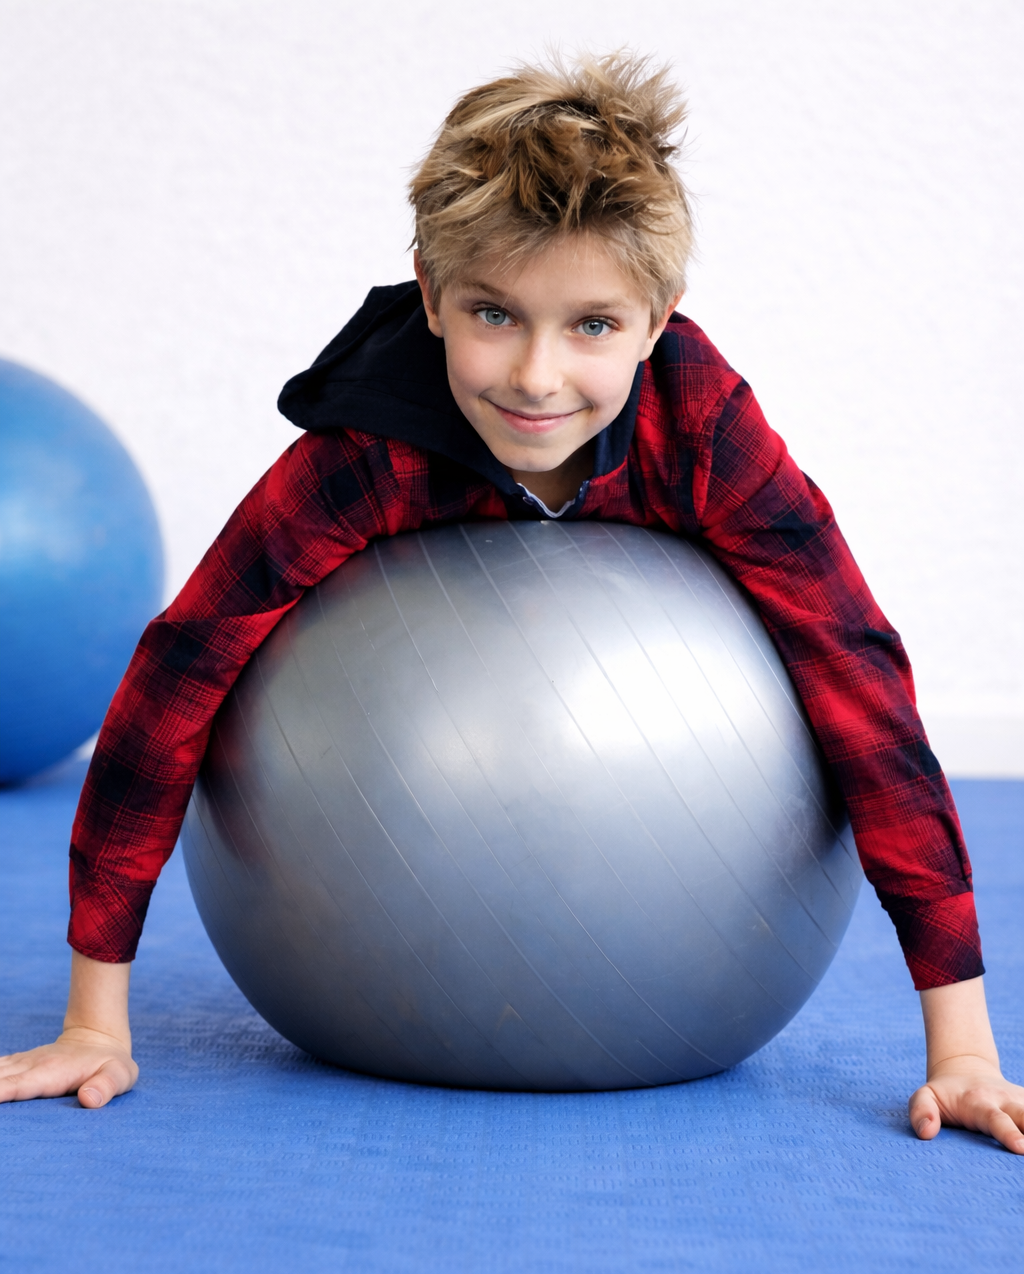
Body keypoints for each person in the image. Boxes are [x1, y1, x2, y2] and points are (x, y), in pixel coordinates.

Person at [2, 53, 1021, 1151]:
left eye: (591, 325)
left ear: (658, 318)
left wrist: (960, 1047)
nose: (536, 377)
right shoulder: (365, 451)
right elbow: (175, 681)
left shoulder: (705, 433)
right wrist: (94, 1018)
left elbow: (856, 681)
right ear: (430, 295)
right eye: (494, 313)